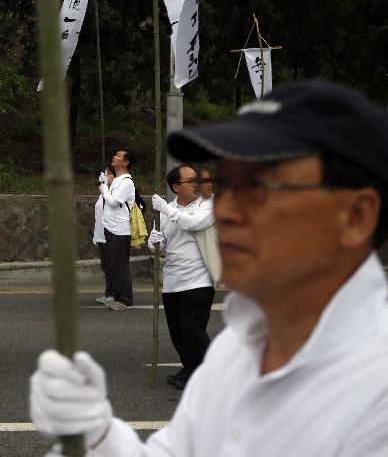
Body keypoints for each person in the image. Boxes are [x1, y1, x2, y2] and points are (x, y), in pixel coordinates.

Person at [30, 80, 388, 455]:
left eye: (258, 188)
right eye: (226, 186)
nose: (228, 210)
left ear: (356, 217)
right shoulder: (237, 347)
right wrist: (97, 438)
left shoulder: (375, 388)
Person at [148, 165, 214, 390]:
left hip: (199, 280)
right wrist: (154, 242)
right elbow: (163, 247)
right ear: (176, 187)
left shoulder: (207, 204)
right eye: (190, 181)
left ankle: (206, 375)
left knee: (193, 331)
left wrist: (166, 209)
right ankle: (189, 368)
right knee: (178, 333)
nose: (196, 185)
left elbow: (193, 223)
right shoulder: (167, 210)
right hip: (172, 281)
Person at [97, 150, 136, 310]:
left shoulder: (127, 182)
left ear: (126, 162)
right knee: (113, 266)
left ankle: (126, 299)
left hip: (120, 229)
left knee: (120, 266)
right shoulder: (118, 180)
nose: (115, 156)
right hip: (110, 227)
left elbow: (114, 202)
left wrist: (104, 188)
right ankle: (116, 296)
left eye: (119, 156)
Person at [93, 167, 114, 305]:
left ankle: (114, 293)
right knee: (106, 267)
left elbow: (112, 207)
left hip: (111, 236)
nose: (106, 176)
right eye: (105, 174)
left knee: (112, 267)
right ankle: (109, 292)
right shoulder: (103, 192)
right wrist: (96, 235)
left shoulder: (113, 193)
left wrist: (105, 188)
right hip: (101, 235)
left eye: (109, 174)